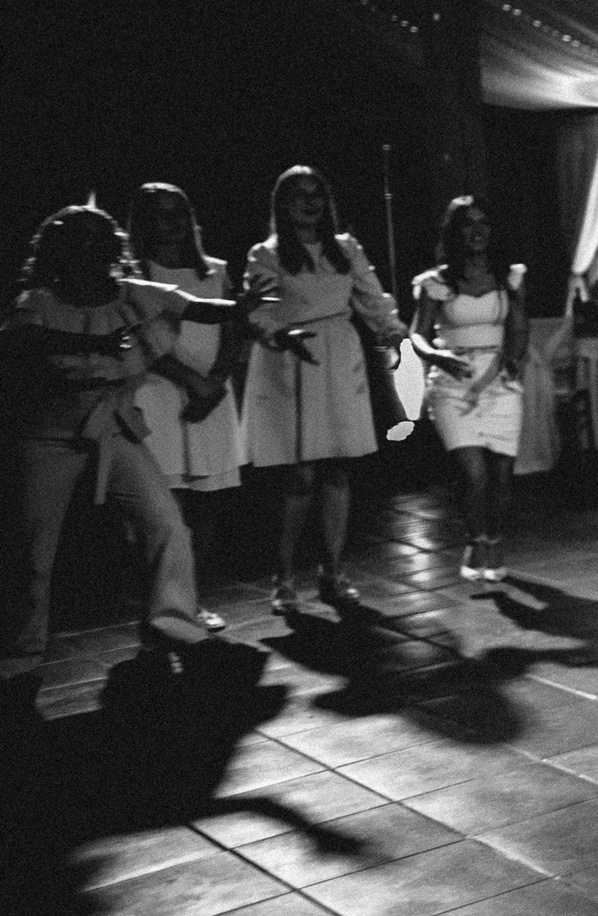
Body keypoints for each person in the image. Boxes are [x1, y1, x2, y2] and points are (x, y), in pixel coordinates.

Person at [0, 205, 271, 707]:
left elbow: (195, 306)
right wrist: (95, 340)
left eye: (98, 238)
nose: (91, 248)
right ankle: (19, 655)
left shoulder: (133, 295)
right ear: (61, 249)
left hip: (114, 423)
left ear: (112, 246)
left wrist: (237, 307)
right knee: (34, 550)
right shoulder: (38, 302)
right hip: (49, 434)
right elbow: (23, 340)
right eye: (79, 239)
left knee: (166, 523)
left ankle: (173, 625)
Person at [242, 166, 407, 614]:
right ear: (282, 203)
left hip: (339, 358)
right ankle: (283, 576)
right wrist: (278, 334)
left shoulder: (346, 248)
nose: (310, 202)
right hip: (291, 360)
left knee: (337, 470)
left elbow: (373, 300)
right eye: (299, 195)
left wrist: (394, 333)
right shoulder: (266, 254)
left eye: (317, 194)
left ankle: (332, 571)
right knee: (298, 475)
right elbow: (257, 312)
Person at [125, 182, 246, 632]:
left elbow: (232, 329)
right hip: (159, 394)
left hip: (211, 397)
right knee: (164, 509)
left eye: (178, 212)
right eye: (158, 214)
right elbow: (142, 339)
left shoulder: (214, 271)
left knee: (205, 503)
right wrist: (192, 381)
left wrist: (215, 382)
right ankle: (159, 606)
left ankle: (194, 601)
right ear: (142, 223)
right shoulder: (134, 275)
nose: (170, 223)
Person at [409, 196, 527, 583]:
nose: (477, 231)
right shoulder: (436, 282)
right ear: (454, 232)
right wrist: (437, 357)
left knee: (502, 475)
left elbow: (519, 327)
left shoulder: (509, 277)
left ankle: (495, 540)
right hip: (452, 382)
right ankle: (476, 539)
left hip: (499, 380)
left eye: (483, 222)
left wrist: (514, 358)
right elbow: (417, 336)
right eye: (467, 224)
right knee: (474, 474)